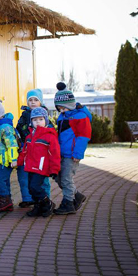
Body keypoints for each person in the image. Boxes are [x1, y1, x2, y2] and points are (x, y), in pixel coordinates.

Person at [53, 82, 92, 215]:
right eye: (59, 109)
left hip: (72, 154)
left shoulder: (81, 117)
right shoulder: (63, 116)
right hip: (62, 153)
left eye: (63, 108)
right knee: (58, 177)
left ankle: (68, 203)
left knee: (66, 179)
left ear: (70, 104)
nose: (61, 111)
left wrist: (78, 153)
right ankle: (77, 195)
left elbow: (83, 137)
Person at [17, 108, 60, 217]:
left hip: (41, 168)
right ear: (31, 122)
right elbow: (24, 152)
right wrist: (19, 162)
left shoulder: (50, 136)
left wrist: (55, 169)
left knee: (35, 187)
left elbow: (55, 154)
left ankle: (48, 203)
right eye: (35, 120)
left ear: (46, 121)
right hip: (30, 167)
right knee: (31, 188)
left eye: (41, 119)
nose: (38, 122)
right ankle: (38, 206)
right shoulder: (29, 137)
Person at [15, 89, 52, 208]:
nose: (33, 102)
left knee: (42, 179)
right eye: (30, 100)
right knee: (26, 177)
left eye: (36, 100)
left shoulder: (44, 115)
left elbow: (50, 134)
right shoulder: (24, 115)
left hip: (41, 154)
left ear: (40, 102)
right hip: (27, 151)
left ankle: (46, 200)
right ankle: (28, 198)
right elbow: (19, 130)